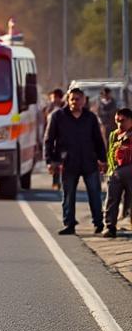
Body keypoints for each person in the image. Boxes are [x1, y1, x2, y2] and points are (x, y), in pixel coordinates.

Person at [45, 87, 108, 235]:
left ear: (84, 100)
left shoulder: (90, 117)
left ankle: (98, 223)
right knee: (68, 195)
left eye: (78, 99)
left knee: (95, 194)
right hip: (68, 162)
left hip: (89, 162)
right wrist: (50, 161)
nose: (75, 102)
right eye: (72, 99)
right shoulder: (58, 116)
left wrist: (103, 160)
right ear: (68, 100)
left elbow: (98, 140)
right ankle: (69, 224)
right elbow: (49, 140)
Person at [103, 108, 132, 238]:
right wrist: (109, 169)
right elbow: (110, 153)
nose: (119, 124)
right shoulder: (113, 135)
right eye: (117, 120)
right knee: (111, 199)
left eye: (123, 121)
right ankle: (109, 226)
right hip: (116, 171)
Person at [44, 89, 66, 190]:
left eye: (54, 97)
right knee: (55, 162)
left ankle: (64, 182)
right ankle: (56, 182)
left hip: (64, 139)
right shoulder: (49, 108)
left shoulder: (66, 108)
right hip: (53, 137)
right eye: (51, 98)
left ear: (58, 97)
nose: (52, 100)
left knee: (64, 163)